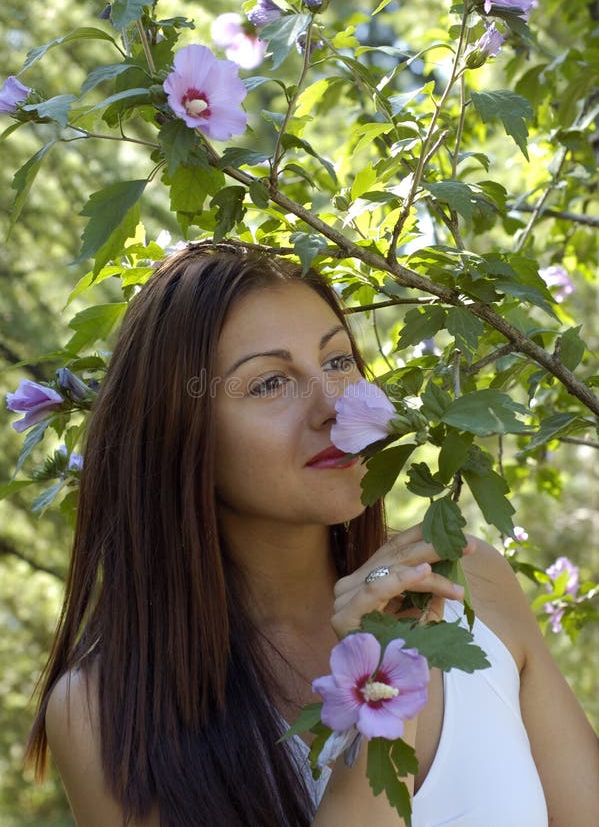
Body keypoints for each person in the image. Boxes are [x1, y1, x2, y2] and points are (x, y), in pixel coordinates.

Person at [27, 243, 598, 827]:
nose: (334, 406)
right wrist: (379, 693)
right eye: (270, 384)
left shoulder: (467, 580)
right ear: (177, 433)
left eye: (338, 361)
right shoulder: (105, 711)